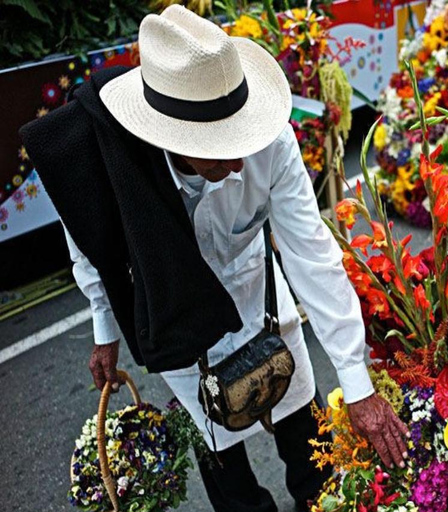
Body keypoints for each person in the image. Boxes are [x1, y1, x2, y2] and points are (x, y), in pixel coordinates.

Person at [20, 6, 407, 512]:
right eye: (219, 149)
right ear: (168, 135)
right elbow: (89, 240)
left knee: (315, 461)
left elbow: (311, 253)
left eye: (241, 139)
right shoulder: (110, 159)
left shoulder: (272, 142)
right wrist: (103, 329)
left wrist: (356, 385)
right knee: (232, 486)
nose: (239, 162)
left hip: (260, 308)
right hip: (174, 313)